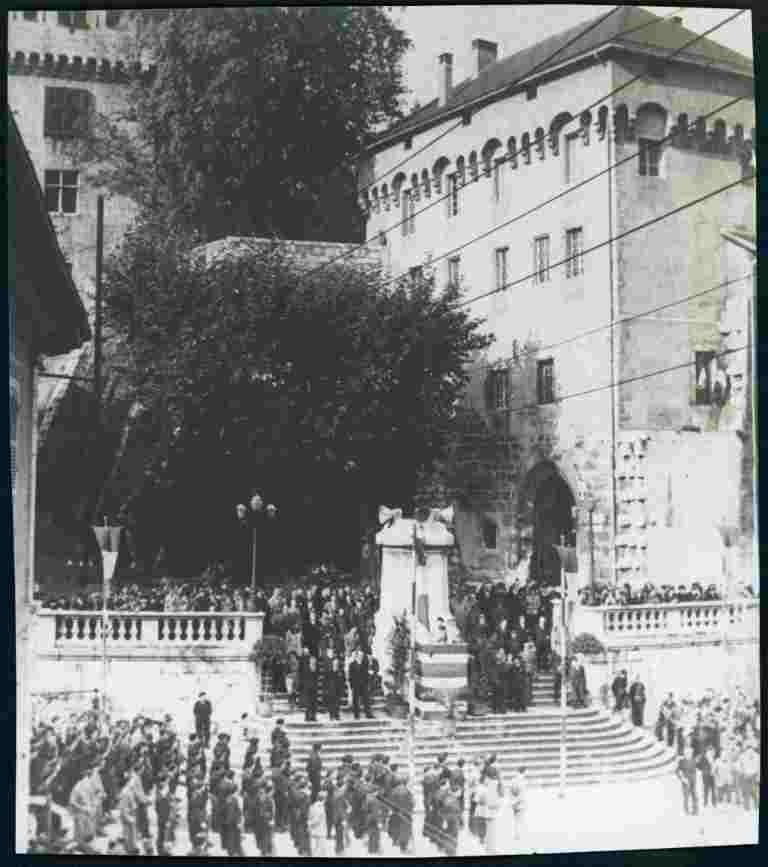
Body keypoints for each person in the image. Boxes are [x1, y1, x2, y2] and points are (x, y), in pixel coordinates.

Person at [349, 649, 373, 719]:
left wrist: (367, 683)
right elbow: (351, 676)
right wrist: (352, 685)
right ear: (357, 656)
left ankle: (368, 714)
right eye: (360, 655)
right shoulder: (352, 665)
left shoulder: (365, 664)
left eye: (362, 656)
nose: (361, 657)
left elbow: (367, 674)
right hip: (356, 685)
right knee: (355, 700)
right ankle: (356, 715)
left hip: (364, 684)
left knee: (366, 699)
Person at [676, 744, 699, 816]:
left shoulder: (693, 760)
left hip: (693, 781)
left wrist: (695, 777)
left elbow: (695, 770)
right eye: (687, 753)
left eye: (690, 753)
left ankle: (695, 810)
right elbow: (677, 771)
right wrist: (682, 778)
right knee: (686, 796)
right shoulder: (682, 761)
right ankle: (686, 811)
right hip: (685, 782)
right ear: (684, 754)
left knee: (694, 795)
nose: (689, 755)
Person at [508, 766, 527, 841]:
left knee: (516, 819)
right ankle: (518, 834)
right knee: (520, 819)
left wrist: (512, 801)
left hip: (514, 802)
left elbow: (510, 791)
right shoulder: (522, 781)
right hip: (520, 803)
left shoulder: (513, 780)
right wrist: (517, 801)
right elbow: (522, 795)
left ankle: (516, 833)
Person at [309, 791, 330, 856]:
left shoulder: (313, 806)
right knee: (320, 849)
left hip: (317, 830)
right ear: (324, 798)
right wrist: (311, 825)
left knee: (321, 849)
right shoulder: (320, 807)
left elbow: (310, 816)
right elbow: (317, 819)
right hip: (320, 830)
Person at [303, 655, 319, 722]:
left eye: (314, 661)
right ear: (310, 661)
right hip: (308, 687)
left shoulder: (316, 668)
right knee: (308, 703)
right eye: (312, 660)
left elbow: (316, 677)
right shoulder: (306, 668)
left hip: (314, 687)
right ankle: (307, 717)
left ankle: (314, 716)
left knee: (314, 703)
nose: (313, 662)